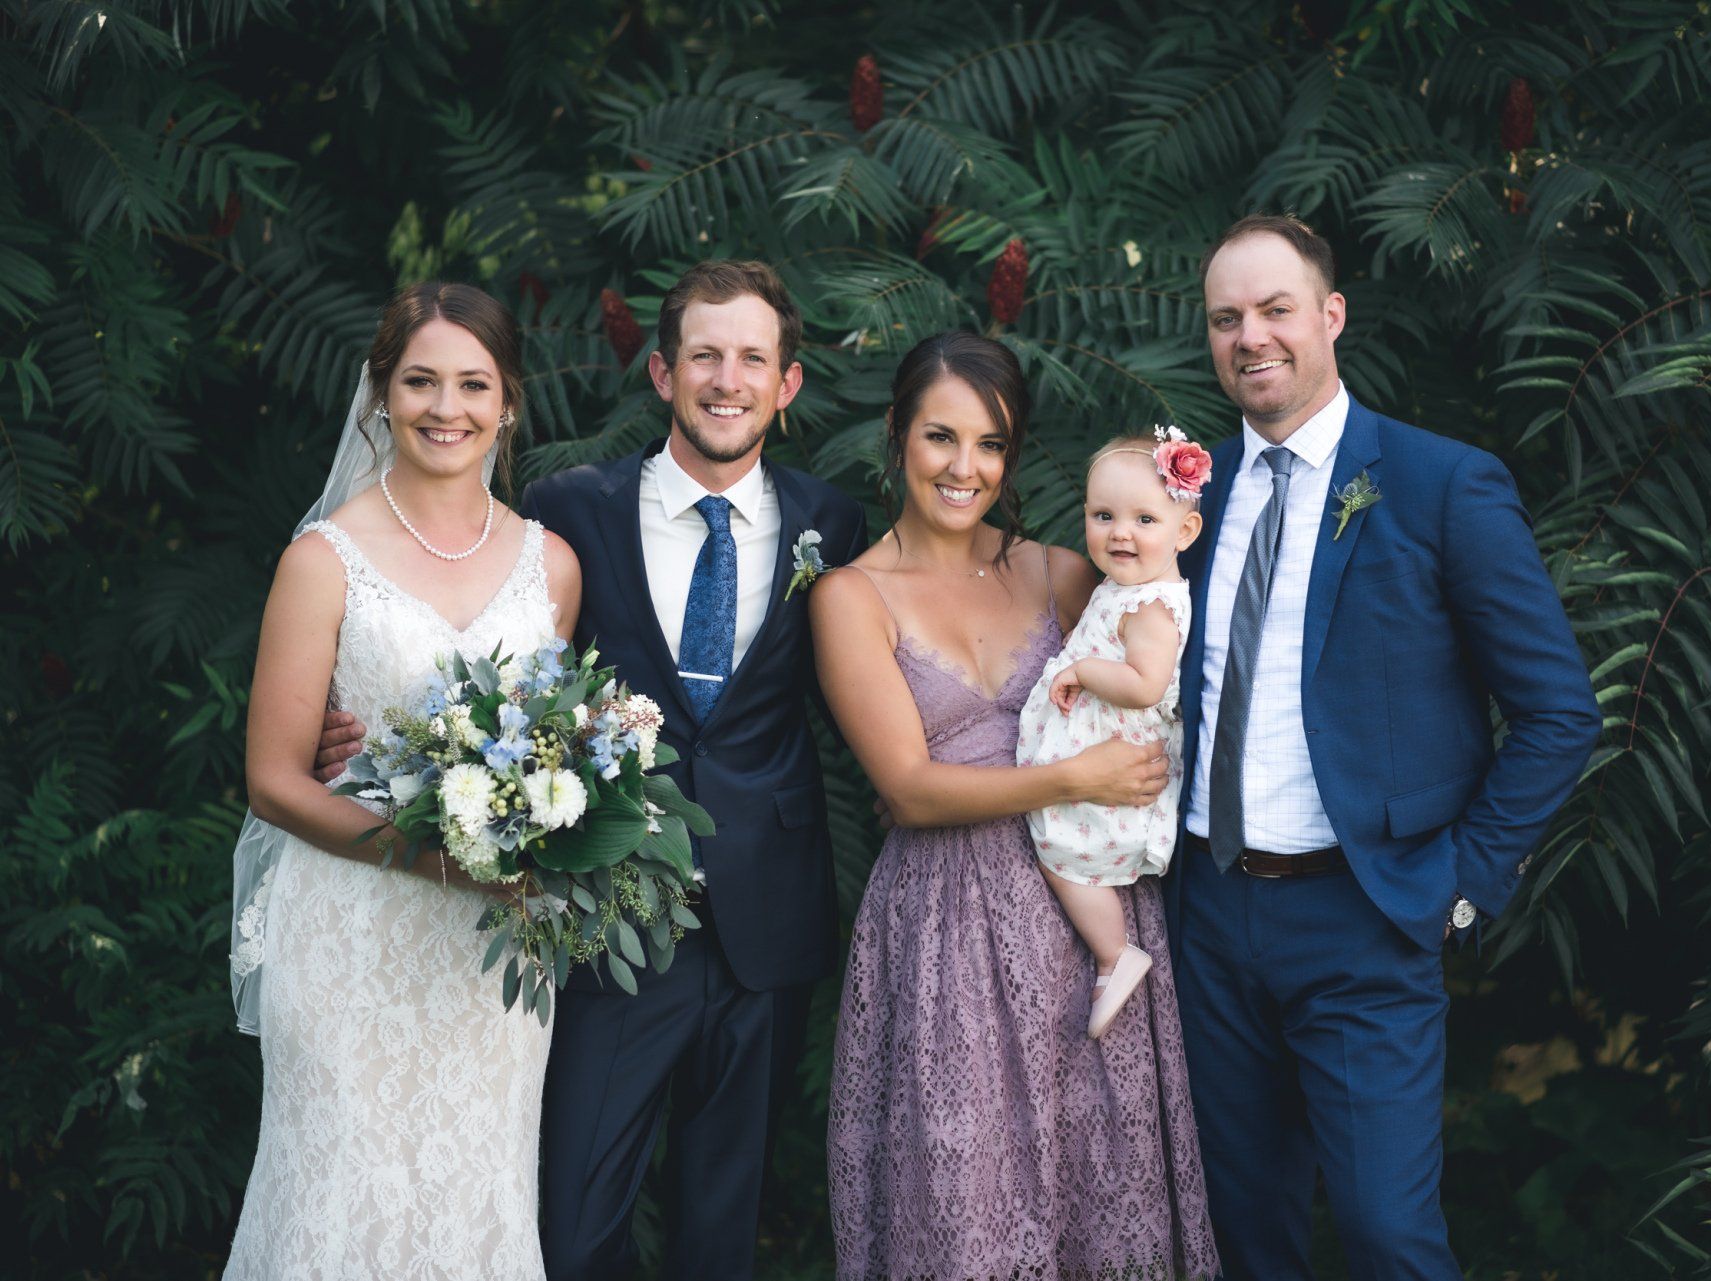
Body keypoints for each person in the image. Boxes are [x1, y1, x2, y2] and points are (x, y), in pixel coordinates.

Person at [311, 261, 866, 1279]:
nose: (727, 379)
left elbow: (876, 683)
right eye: (704, 355)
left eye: (753, 359)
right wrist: (363, 738)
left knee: (720, 1231)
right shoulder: (574, 510)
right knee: (570, 1227)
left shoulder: (834, 523)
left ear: (787, 386)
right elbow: (494, 657)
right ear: (662, 372)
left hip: (767, 923)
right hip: (606, 914)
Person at [1169, 214, 1603, 1278]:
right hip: (1206, 913)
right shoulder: (1189, 494)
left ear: (1331, 316)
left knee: (1386, 1233)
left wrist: (1462, 884)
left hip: (1365, 916)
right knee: (1244, 1231)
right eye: (1227, 318)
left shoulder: (1439, 483)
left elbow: (1557, 711)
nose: (1251, 336)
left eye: (1276, 309)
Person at [813, 331, 1219, 1280]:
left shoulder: (1055, 568)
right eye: (940, 438)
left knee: (1099, 1194)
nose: (966, 468)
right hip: (949, 924)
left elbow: (1161, 657)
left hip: (1086, 920)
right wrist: (1075, 780)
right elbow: (909, 790)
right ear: (897, 435)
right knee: (970, 1206)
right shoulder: (850, 595)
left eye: (990, 443)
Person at [226, 281, 582, 1279]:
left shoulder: (552, 566)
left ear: (508, 402)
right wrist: (427, 860)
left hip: (495, 946)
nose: (445, 407)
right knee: (336, 1196)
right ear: (381, 396)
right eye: (420, 381)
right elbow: (272, 780)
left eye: (473, 384)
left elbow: (550, 754)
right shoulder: (324, 559)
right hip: (349, 935)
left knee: (477, 1195)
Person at [1015, 430, 1208, 1038]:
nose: (1120, 532)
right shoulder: (1126, 589)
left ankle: (1114, 953)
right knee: (1057, 845)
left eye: (1144, 518)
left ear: (1184, 533)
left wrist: (1084, 670)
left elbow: (1147, 684)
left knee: (1063, 853)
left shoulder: (1150, 605)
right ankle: (1111, 952)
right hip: (1097, 753)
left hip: (1118, 757)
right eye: (1103, 516)